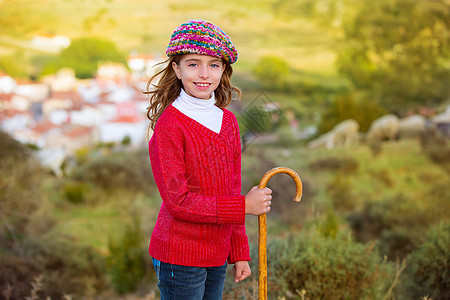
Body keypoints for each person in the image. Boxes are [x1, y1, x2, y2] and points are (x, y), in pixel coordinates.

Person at [145, 19, 272, 300]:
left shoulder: (228, 121)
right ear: (176, 68)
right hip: (180, 254)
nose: (204, 74)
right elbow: (178, 201)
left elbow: (231, 189)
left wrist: (239, 252)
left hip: (217, 253)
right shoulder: (170, 126)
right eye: (193, 63)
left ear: (224, 69)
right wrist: (244, 207)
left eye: (214, 64)